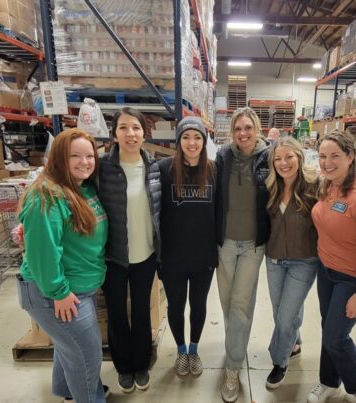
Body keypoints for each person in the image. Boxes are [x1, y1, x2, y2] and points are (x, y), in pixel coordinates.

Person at [16, 128, 109, 403]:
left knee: (69, 348)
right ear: (58, 158)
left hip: (78, 288)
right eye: (75, 156)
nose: (85, 162)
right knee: (86, 354)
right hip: (58, 293)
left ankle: (68, 391)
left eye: (90, 156)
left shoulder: (82, 188)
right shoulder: (47, 197)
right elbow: (44, 253)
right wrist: (58, 292)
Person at [307, 131, 356, 403]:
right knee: (328, 329)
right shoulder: (328, 185)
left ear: (350, 157)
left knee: (336, 337)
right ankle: (329, 382)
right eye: (322, 157)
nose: (327, 163)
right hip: (327, 271)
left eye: (335, 157)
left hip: (353, 278)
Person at [98, 107, 161, 393]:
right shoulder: (102, 168)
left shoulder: (155, 167)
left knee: (141, 312)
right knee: (116, 313)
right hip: (113, 256)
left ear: (144, 132)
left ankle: (141, 363)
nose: (130, 134)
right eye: (123, 127)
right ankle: (124, 367)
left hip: (145, 254)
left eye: (135, 127)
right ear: (115, 133)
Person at [215, 106, 270, 402]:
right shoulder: (223, 157)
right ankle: (235, 345)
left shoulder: (269, 157)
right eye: (238, 129)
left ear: (257, 129)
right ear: (232, 132)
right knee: (227, 304)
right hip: (224, 242)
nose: (243, 133)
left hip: (252, 244)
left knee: (240, 304)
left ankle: (233, 367)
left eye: (248, 128)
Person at [157, 116, 217, 377]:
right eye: (186, 137)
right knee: (176, 305)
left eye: (197, 137)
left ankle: (194, 350)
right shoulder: (162, 169)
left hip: (203, 255)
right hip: (172, 256)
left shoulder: (214, 171)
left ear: (204, 141)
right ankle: (181, 350)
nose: (192, 143)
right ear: (178, 141)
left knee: (199, 304)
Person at [263, 136, 320, 389]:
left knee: (285, 316)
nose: (283, 163)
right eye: (278, 158)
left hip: (304, 261)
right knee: (280, 311)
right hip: (274, 259)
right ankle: (294, 343)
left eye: (289, 157)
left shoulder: (315, 186)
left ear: (299, 157)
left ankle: (279, 361)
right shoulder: (271, 187)